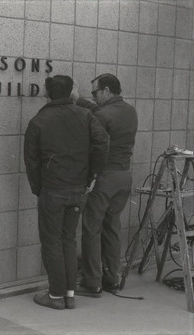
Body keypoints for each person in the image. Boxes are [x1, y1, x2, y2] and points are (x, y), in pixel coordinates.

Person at [24, 75, 109, 309]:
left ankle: (55, 297)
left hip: (52, 189)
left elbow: (31, 160)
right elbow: (103, 141)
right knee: (68, 240)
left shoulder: (39, 120)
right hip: (78, 189)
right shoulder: (86, 115)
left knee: (51, 242)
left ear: (47, 94)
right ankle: (69, 295)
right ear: (71, 92)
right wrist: (93, 175)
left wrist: (37, 188)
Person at [74, 73, 138, 297]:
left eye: (95, 93)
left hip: (104, 178)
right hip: (124, 177)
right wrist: (79, 100)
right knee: (112, 227)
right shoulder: (130, 111)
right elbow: (100, 111)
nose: (94, 97)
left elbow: (94, 141)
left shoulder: (102, 115)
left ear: (107, 91)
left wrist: (89, 177)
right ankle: (112, 278)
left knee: (92, 229)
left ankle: (92, 283)